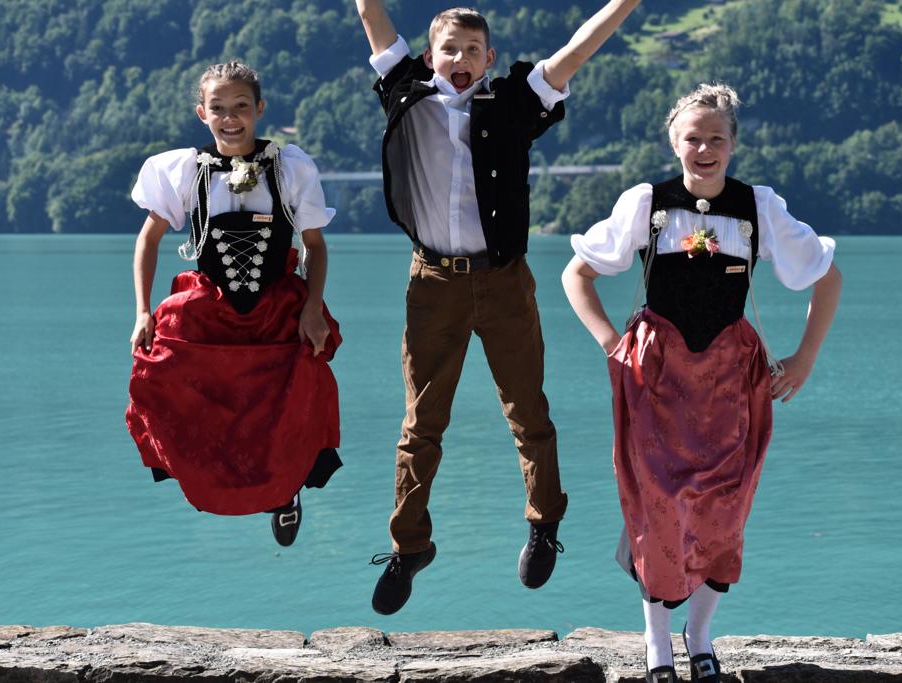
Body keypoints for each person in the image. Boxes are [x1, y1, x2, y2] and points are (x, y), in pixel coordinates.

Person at [353, 0, 642, 615]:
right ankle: (409, 548)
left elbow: (576, 52)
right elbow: (371, 15)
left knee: (528, 411)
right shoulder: (404, 90)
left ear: (489, 58)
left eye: (472, 50)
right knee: (420, 424)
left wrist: (624, 4)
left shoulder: (513, 102)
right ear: (429, 56)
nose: (459, 59)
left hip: (505, 281)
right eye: (449, 50)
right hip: (433, 283)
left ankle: (544, 523)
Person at [562, 83, 842, 683]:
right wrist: (613, 345)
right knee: (659, 506)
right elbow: (576, 275)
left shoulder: (759, 208)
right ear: (674, 143)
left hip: (730, 381)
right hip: (657, 378)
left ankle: (700, 636)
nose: (705, 149)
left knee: (726, 511)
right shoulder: (647, 204)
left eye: (717, 138)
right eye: (694, 138)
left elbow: (828, 278)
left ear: (733, 144)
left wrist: (805, 358)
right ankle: (656, 644)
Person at [126, 60, 343, 548]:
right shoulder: (185, 171)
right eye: (218, 108)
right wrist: (142, 311)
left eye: (240, 106)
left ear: (259, 109)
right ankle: (205, 475)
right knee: (179, 388)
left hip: (277, 305)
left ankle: (287, 491)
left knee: (291, 399)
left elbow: (315, 245)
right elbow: (148, 240)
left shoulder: (290, 168)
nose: (230, 117)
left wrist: (313, 307)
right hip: (211, 307)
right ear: (202, 113)